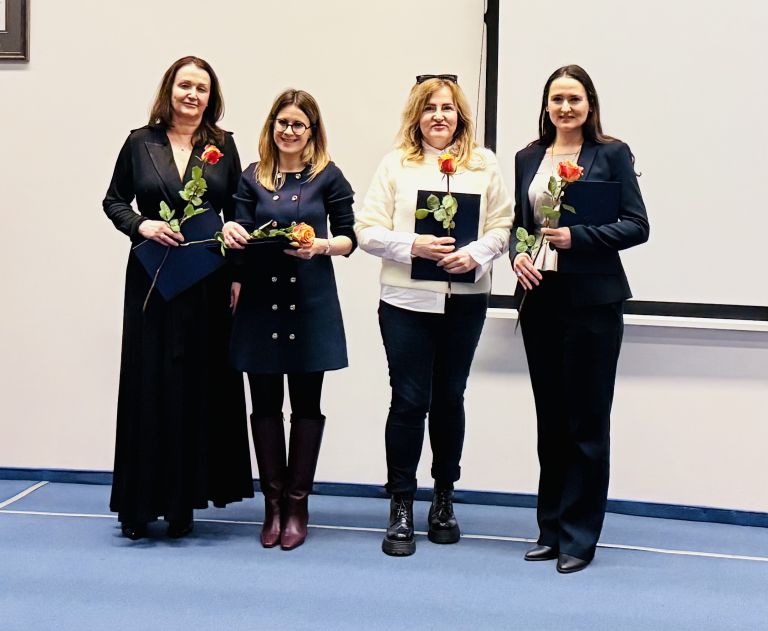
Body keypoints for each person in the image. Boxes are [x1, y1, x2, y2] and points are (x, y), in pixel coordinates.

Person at [355, 75, 512, 556]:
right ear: (416, 117)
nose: (438, 116)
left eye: (446, 108)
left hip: (465, 301)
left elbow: (503, 225)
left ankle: (444, 499)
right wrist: (412, 245)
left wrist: (477, 253)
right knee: (408, 401)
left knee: (449, 399)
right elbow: (366, 230)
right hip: (406, 303)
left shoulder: (483, 164)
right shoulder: (396, 164)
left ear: (459, 115)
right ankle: (401, 503)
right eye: (429, 108)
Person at [103, 56, 254, 540]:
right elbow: (113, 200)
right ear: (170, 89)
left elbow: (237, 213)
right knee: (149, 383)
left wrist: (237, 275)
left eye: (202, 88)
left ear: (212, 97)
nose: (192, 94)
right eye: (185, 85)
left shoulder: (223, 145)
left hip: (208, 281)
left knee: (196, 385)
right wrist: (140, 224)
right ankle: (138, 505)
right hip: (153, 278)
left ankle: (183, 504)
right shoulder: (139, 142)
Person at [511, 64, 650, 573]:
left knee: (585, 424)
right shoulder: (528, 156)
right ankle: (550, 530)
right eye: (557, 99)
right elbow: (520, 225)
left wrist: (579, 238)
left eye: (574, 98)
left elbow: (637, 225)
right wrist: (518, 255)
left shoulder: (611, 153)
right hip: (540, 300)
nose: (565, 107)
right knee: (550, 422)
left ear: (589, 103)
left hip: (593, 304)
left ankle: (579, 537)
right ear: (546, 106)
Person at [221, 89, 355, 551]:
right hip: (260, 301)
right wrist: (230, 235)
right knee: (263, 406)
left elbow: (350, 236)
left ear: (312, 131)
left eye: (299, 124)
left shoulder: (327, 175)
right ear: (272, 126)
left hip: (309, 302)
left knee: (306, 406)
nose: (289, 131)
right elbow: (238, 231)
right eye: (283, 122)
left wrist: (320, 245)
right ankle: (272, 506)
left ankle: (298, 506)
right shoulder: (252, 176)